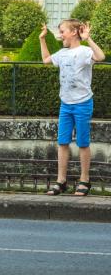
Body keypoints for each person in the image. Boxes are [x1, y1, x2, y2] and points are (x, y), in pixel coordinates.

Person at [40, 19, 105, 196]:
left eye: (62, 31)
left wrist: (88, 39)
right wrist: (42, 39)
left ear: (74, 32)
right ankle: (61, 181)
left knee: (83, 143)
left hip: (83, 103)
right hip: (65, 105)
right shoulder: (62, 53)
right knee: (62, 143)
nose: (60, 35)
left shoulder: (85, 51)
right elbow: (46, 60)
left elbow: (100, 57)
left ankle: (85, 180)